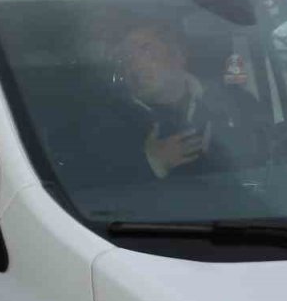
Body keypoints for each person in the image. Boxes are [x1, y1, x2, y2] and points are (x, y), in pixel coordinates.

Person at [75, 23, 266, 186]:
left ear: (178, 55)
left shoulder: (236, 103)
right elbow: (88, 187)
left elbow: (267, 165)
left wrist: (232, 150)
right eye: (125, 57)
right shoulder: (106, 118)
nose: (133, 63)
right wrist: (151, 163)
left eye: (145, 49)